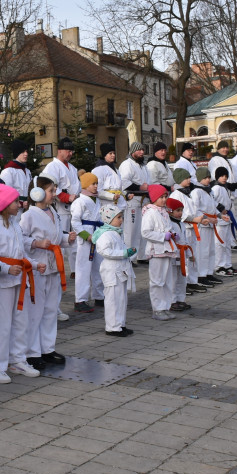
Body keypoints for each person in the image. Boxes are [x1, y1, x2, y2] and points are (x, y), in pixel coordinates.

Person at [0, 184, 39, 383]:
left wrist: (33, 264)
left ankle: (18, 359)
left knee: (20, 321)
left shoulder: (14, 223)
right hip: (2, 281)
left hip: (19, 277)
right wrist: (6, 269)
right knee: (1, 324)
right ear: (5, 205)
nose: (19, 204)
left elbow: (19, 252)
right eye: (15, 201)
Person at [20, 177, 73, 369]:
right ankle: (32, 352)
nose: (54, 194)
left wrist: (68, 238)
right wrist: (35, 243)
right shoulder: (28, 216)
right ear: (38, 193)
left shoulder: (53, 211)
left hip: (53, 266)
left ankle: (47, 348)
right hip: (38, 267)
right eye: (51, 191)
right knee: (36, 311)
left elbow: (57, 237)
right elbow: (21, 239)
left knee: (51, 308)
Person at [94, 204, 136, 336]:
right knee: (112, 299)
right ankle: (112, 327)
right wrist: (124, 253)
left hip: (120, 271)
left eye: (121, 217)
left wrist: (130, 253)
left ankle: (120, 324)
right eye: (118, 217)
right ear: (108, 219)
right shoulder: (105, 235)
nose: (121, 220)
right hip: (111, 271)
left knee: (121, 299)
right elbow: (104, 251)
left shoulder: (116, 233)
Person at [42, 138, 80, 270]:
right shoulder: (52, 166)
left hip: (74, 207)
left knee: (74, 238)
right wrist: (66, 197)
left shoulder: (73, 168)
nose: (70, 153)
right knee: (60, 238)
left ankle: (75, 269)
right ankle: (59, 267)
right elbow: (50, 187)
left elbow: (77, 187)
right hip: (60, 207)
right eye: (68, 150)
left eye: (71, 151)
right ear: (59, 151)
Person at [71, 172, 105, 312]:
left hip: (98, 233)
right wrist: (86, 236)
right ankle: (80, 300)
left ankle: (99, 296)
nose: (96, 186)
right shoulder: (79, 201)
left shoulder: (97, 200)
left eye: (97, 183)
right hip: (86, 237)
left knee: (99, 266)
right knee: (83, 268)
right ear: (85, 185)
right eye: (93, 184)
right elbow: (75, 221)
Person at [141, 184, 176, 320]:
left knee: (167, 280)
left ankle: (166, 306)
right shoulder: (150, 213)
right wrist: (162, 237)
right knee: (157, 280)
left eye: (165, 196)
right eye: (161, 197)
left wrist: (172, 234)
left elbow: (169, 226)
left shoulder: (164, 211)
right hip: (156, 250)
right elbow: (145, 232)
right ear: (154, 198)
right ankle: (157, 308)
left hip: (167, 249)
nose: (163, 199)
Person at [172, 169, 206, 294]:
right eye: (186, 178)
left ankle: (193, 281)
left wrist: (202, 219)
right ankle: (184, 283)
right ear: (180, 179)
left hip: (193, 228)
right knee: (185, 257)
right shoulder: (176, 194)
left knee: (193, 256)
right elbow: (178, 213)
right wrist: (194, 219)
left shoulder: (187, 193)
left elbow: (194, 209)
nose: (189, 180)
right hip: (184, 229)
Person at [119, 142, 151, 263]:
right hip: (133, 199)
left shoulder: (144, 166)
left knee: (143, 228)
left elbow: (148, 182)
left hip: (144, 200)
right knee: (131, 230)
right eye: (139, 150)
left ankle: (142, 255)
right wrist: (139, 188)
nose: (142, 152)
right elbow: (124, 181)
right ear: (132, 152)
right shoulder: (127, 164)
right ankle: (129, 257)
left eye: (143, 150)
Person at [190, 167, 222, 286]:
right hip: (202, 225)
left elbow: (213, 205)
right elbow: (195, 209)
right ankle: (200, 275)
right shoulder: (196, 192)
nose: (208, 180)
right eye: (205, 178)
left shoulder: (209, 191)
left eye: (209, 177)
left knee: (210, 250)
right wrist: (207, 218)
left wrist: (219, 215)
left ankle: (209, 272)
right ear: (199, 179)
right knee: (202, 251)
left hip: (211, 223)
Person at [211, 168, 237, 277]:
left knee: (227, 243)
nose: (224, 178)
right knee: (220, 244)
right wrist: (221, 208)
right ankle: (219, 266)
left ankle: (228, 264)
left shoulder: (225, 188)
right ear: (217, 177)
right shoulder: (216, 188)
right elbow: (212, 201)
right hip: (219, 219)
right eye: (222, 176)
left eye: (226, 176)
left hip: (227, 218)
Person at [166, 197, 192, 312]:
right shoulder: (169, 224)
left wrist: (189, 253)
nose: (180, 213)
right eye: (178, 210)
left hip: (182, 253)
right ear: (170, 211)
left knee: (182, 277)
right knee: (173, 278)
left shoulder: (181, 224)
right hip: (174, 254)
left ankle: (181, 299)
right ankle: (172, 301)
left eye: (181, 210)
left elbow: (185, 239)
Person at [0, 140, 33, 217]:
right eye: (23, 152)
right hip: (15, 211)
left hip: (28, 208)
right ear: (17, 153)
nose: (26, 154)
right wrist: (20, 203)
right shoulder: (8, 171)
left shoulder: (27, 171)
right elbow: (7, 193)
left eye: (26, 151)